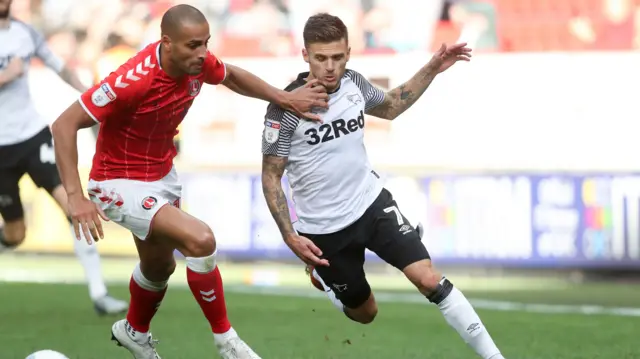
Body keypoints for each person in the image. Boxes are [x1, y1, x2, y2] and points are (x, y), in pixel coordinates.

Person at [51, 4, 328, 359]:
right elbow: (63, 125)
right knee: (201, 240)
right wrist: (75, 196)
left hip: (162, 175)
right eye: (193, 45)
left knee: (159, 267)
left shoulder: (199, 64)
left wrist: (284, 97)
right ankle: (227, 342)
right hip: (118, 183)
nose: (202, 54)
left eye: (205, 44)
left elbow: (230, 76)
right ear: (167, 43)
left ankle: (134, 331)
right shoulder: (132, 80)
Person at [261, 13, 506, 359]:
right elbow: (271, 175)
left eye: (337, 57)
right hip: (324, 229)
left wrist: (433, 67)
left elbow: (391, 106)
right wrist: (290, 235)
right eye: (320, 58)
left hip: (371, 205)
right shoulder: (284, 108)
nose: (330, 67)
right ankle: (328, 284)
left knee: (429, 279)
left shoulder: (355, 84)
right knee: (366, 313)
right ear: (305, 55)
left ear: (348, 52)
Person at [0, 0, 128, 315]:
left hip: (32, 136)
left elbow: (61, 67)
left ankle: (99, 294)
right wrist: (5, 76)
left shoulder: (26, 33)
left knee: (74, 207)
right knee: (16, 234)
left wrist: (90, 96)